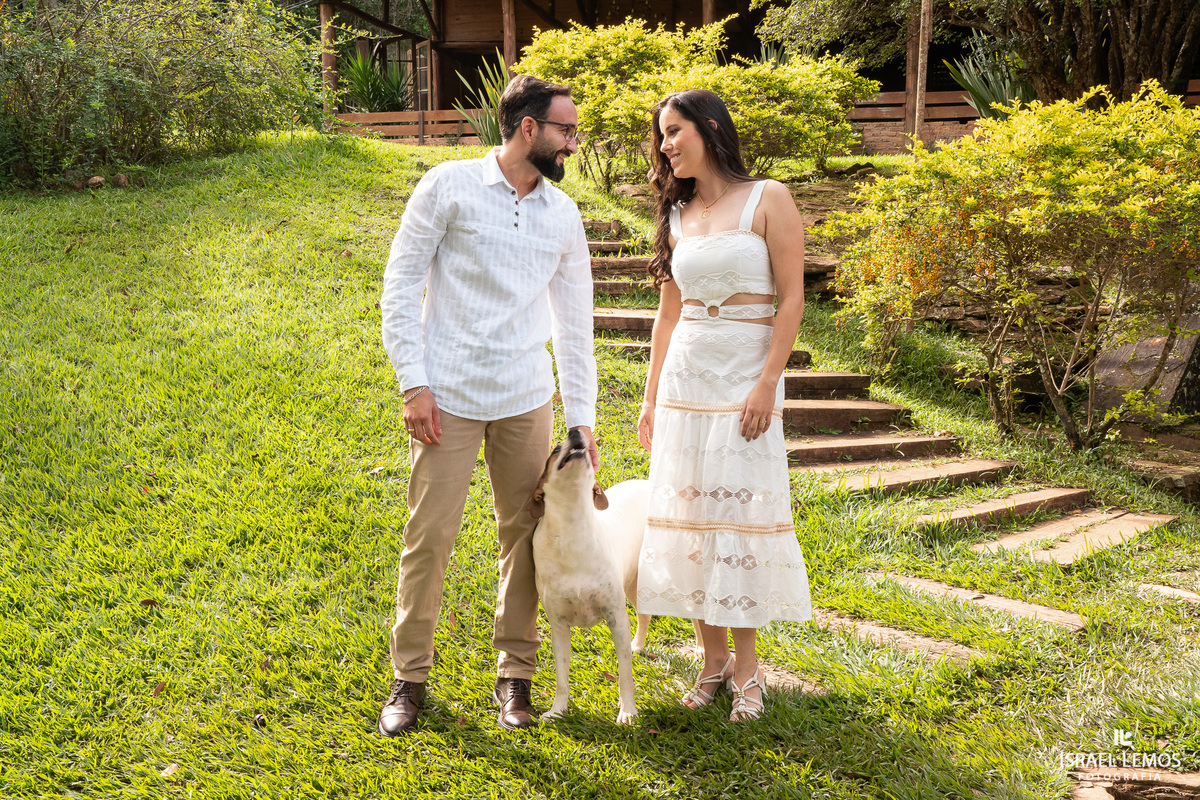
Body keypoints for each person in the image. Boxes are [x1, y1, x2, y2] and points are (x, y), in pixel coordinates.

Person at [378, 75, 598, 736]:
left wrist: (581, 420)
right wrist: (413, 384)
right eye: (565, 130)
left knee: (526, 538)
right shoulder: (447, 186)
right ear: (529, 128)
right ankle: (409, 677)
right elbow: (399, 284)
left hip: (524, 398)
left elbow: (575, 326)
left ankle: (515, 679)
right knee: (429, 537)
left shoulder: (563, 214)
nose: (573, 143)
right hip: (446, 396)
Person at [635, 89, 812, 722]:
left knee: (737, 517)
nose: (665, 146)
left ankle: (749, 670)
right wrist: (650, 398)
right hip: (686, 380)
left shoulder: (769, 198)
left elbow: (791, 299)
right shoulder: (676, 213)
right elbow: (668, 314)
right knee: (693, 517)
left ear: (709, 127)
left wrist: (768, 382)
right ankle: (712, 662)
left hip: (746, 378)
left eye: (674, 131)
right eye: (661, 135)